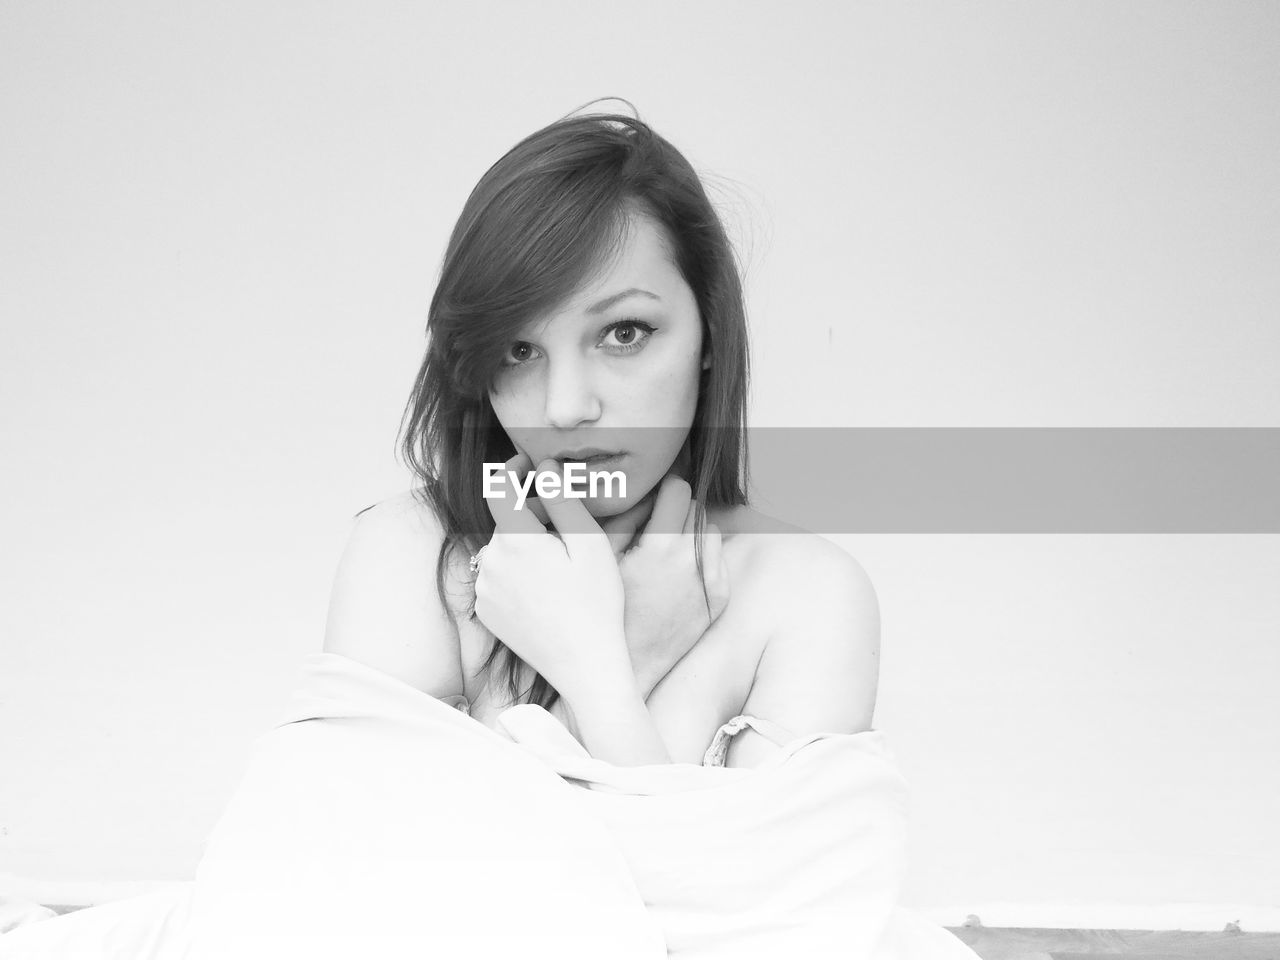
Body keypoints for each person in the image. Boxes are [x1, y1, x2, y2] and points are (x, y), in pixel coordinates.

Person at [323, 105, 881, 773]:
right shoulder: (412, 553)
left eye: (623, 334)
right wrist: (624, 653)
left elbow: (744, 881)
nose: (565, 408)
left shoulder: (805, 594)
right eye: (519, 350)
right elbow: (359, 867)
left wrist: (597, 677)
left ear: (708, 328)